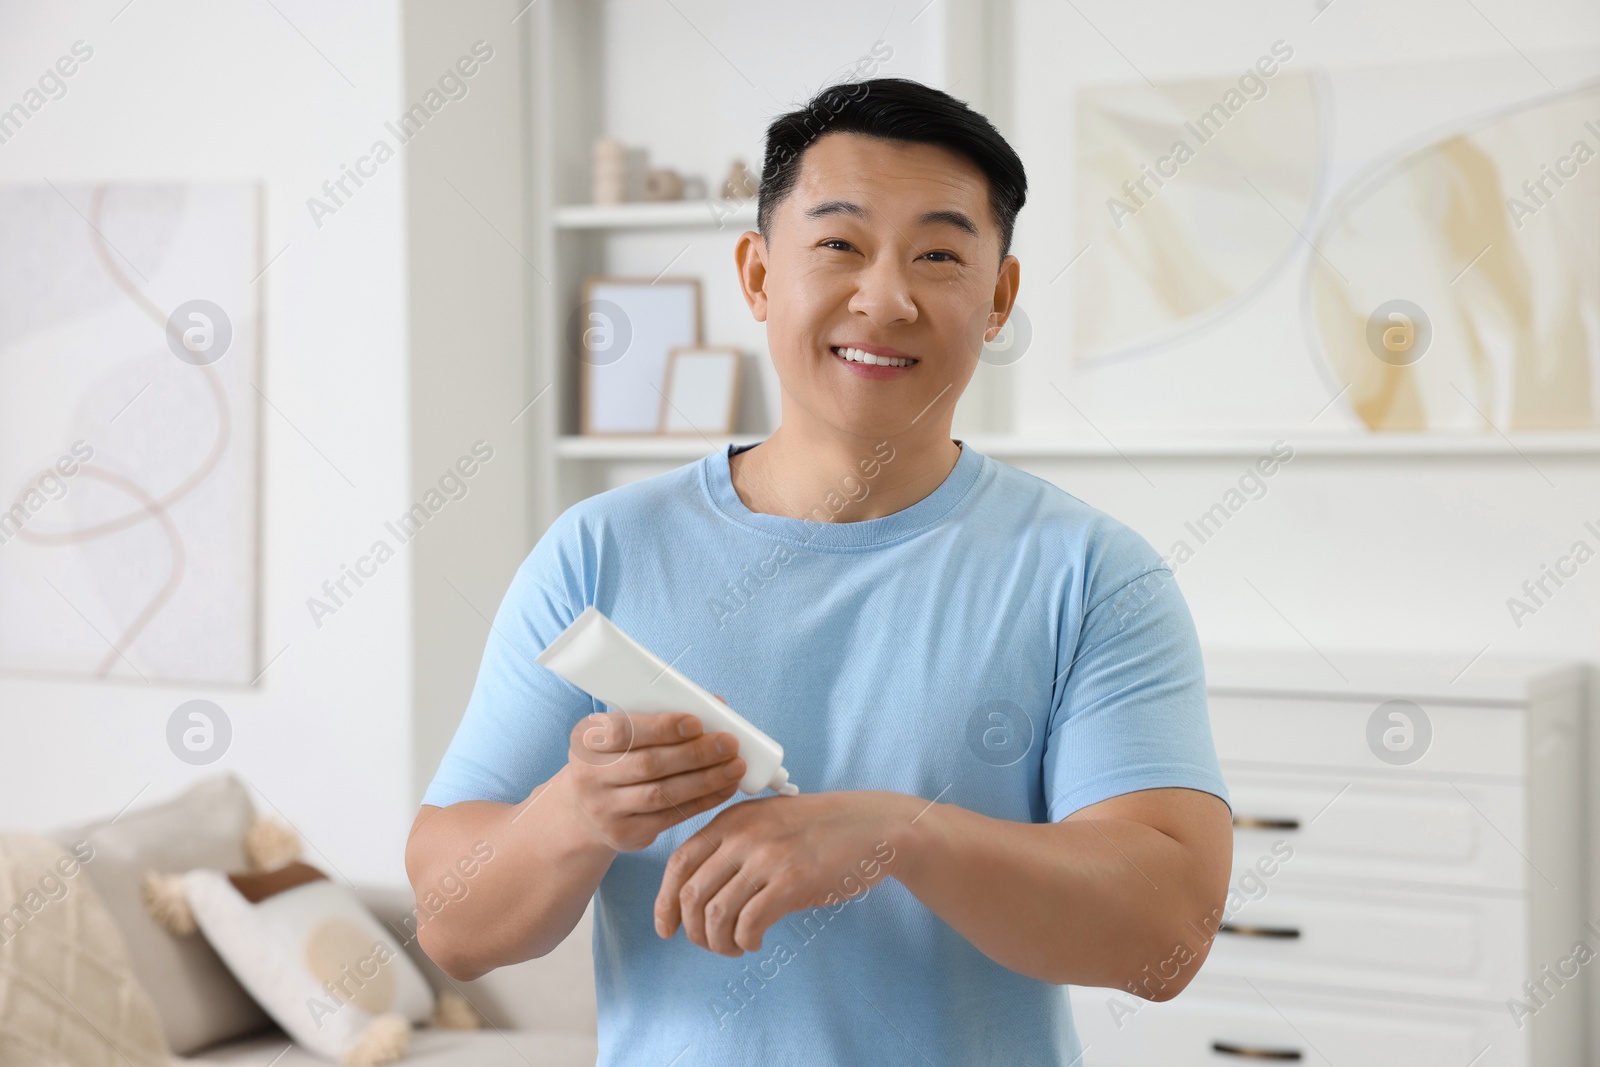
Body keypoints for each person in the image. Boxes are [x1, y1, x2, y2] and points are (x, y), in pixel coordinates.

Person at [405, 76, 1232, 1066]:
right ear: (757, 275)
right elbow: (451, 924)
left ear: (999, 298)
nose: (884, 298)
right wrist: (573, 812)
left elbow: (1167, 936)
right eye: (838, 245)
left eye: (938, 254)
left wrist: (900, 834)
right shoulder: (598, 551)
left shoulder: (1094, 574)